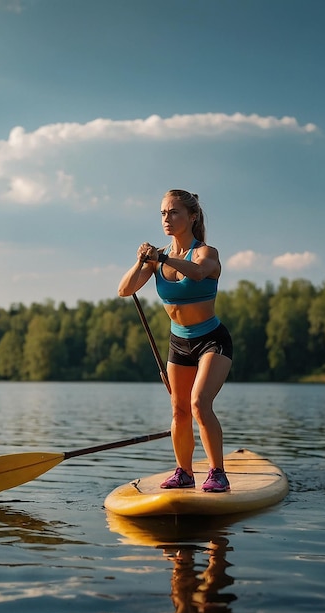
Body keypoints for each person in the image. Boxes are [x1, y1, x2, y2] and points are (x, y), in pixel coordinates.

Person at [118, 189, 233, 492]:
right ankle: (184, 472)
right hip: (179, 343)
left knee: (199, 403)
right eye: (163, 213)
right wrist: (142, 261)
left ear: (192, 216)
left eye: (174, 212)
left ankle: (218, 473)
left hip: (212, 340)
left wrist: (164, 256)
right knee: (179, 410)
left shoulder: (206, 254)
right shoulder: (158, 259)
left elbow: (196, 274)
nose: (166, 219)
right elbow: (124, 290)